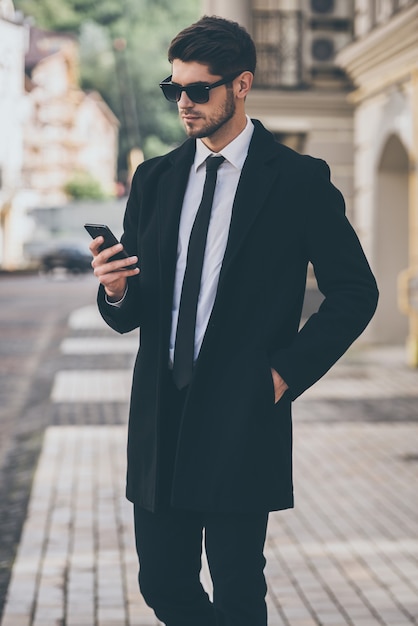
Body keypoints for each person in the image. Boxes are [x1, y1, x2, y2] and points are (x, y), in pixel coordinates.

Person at [89, 15, 378, 626]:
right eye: (175, 90)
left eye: (200, 90)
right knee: (162, 585)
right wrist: (116, 291)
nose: (184, 103)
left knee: (239, 594)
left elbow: (355, 292)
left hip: (242, 415)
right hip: (162, 414)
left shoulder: (299, 180)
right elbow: (131, 313)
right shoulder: (155, 178)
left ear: (242, 85)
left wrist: (283, 375)